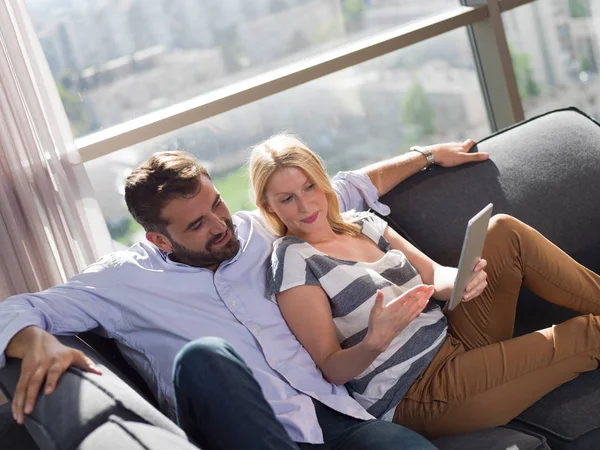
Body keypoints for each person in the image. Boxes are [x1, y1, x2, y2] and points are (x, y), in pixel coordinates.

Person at [0, 140, 487, 449]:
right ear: (159, 239)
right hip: (240, 426)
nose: (220, 226)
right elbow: (19, 308)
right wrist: (30, 338)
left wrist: (426, 156)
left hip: (335, 420)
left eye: (217, 206)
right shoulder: (120, 281)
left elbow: (340, 190)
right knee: (204, 357)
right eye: (197, 225)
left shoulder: (260, 229)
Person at [249, 133, 600, 439]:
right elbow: (330, 366)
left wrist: (463, 280)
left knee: (503, 231)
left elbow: (434, 275)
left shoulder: (362, 224)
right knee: (590, 333)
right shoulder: (294, 261)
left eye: (309, 186)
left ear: (321, 181)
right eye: (286, 198)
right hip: (420, 390)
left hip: (455, 340)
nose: (305, 204)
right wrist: (375, 341)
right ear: (269, 207)